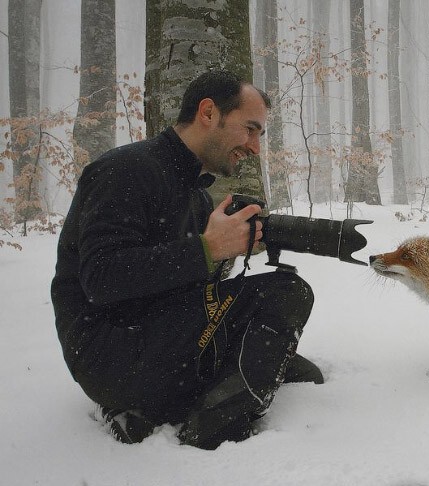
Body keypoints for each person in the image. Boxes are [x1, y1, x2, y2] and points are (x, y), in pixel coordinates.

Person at [51, 70, 323, 450]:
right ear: (208, 112)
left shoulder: (195, 195)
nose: (255, 147)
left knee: (277, 325)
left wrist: (227, 250)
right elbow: (102, 279)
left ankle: (170, 399)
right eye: (250, 129)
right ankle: (213, 428)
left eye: (259, 134)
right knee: (286, 293)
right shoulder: (125, 170)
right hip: (110, 354)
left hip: (153, 335)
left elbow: (181, 284)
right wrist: (207, 250)